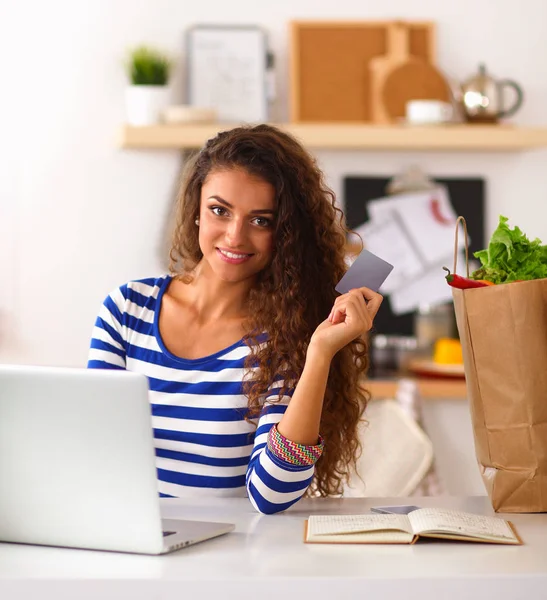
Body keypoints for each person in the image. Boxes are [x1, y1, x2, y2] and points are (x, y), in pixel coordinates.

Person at [88, 124, 383, 514]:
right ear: (196, 210)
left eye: (260, 220)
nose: (234, 236)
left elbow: (272, 494)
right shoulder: (127, 310)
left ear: (285, 233)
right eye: (219, 211)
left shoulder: (284, 337)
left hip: (228, 560)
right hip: (126, 541)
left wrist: (320, 352)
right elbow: (90, 451)